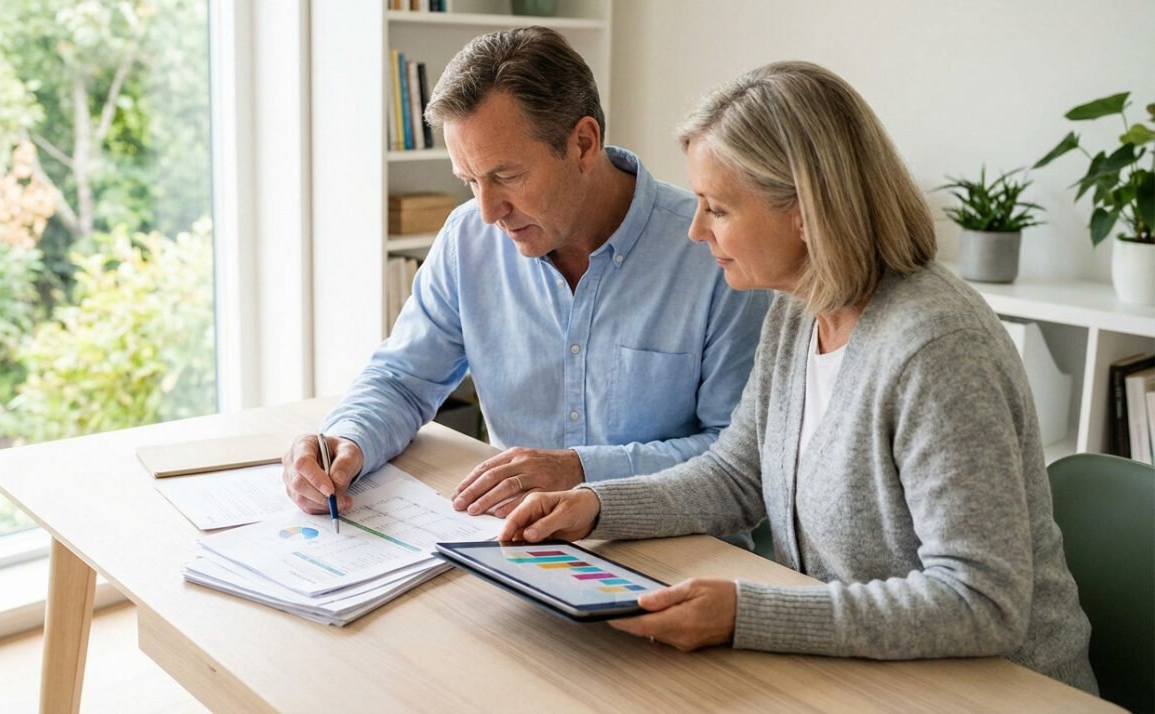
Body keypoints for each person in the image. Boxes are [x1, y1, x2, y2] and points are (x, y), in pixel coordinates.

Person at [499, 61, 1098, 693]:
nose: (696, 230)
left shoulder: (937, 350)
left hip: (1001, 692)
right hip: (864, 674)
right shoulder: (798, 309)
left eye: (717, 209)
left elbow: (982, 602)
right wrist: (597, 506)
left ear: (807, 213)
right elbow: (737, 475)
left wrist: (746, 615)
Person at [283, 27, 770, 522]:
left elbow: (738, 460)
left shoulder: (713, 251)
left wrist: (579, 471)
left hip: (679, 549)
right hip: (517, 543)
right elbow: (403, 381)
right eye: (470, 181)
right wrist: (347, 439)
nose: (488, 211)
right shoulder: (467, 240)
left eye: (506, 176)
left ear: (583, 144)